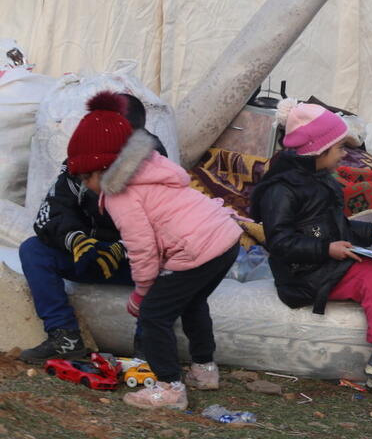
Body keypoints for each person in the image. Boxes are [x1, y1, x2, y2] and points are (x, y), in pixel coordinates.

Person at [66, 91, 242, 410]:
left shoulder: (121, 193)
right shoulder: (152, 167)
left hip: (197, 246)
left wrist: (143, 292)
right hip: (226, 237)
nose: (85, 185)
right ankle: (204, 369)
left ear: (103, 168)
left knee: (153, 314)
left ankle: (169, 388)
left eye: (85, 176)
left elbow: (142, 248)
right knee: (193, 301)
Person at [249, 99, 372, 392]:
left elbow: (336, 225)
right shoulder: (280, 189)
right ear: (318, 150)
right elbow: (280, 241)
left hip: (323, 264)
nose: (345, 154)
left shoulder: (319, 179)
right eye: (339, 148)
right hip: (302, 275)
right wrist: (326, 249)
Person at [18, 93, 166, 363]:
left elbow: (166, 230)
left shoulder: (155, 169)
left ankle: (149, 348)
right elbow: (52, 211)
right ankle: (64, 336)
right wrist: (76, 241)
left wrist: (120, 249)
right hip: (88, 254)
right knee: (34, 250)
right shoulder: (84, 159)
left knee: (170, 266)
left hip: (133, 262)